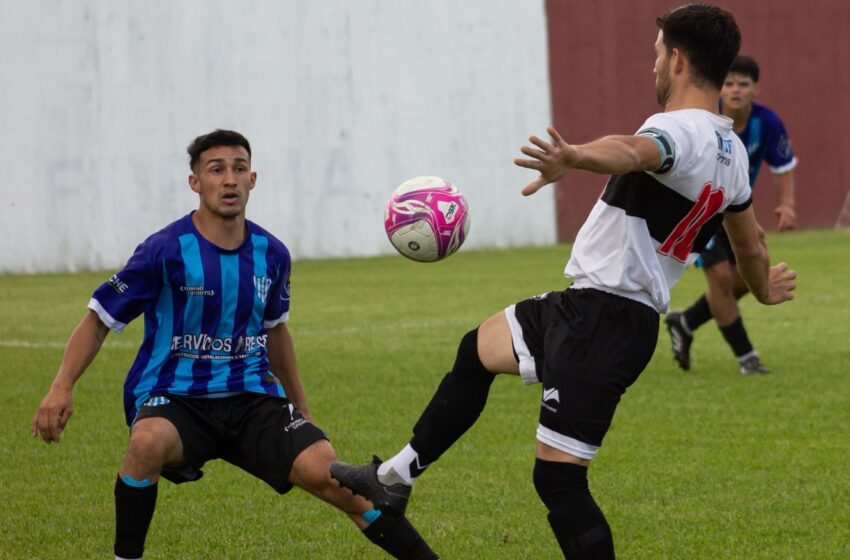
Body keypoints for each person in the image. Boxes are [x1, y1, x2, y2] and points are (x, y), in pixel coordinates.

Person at [330, 5, 796, 559]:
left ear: (676, 58)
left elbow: (632, 150)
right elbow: (751, 243)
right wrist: (763, 289)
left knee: (558, 481)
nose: (652, 67)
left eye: (655, 55)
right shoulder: (733, 153)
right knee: (476, 350)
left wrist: (575, 155)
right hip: (589, 305)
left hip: (606, 317)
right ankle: (395, 476)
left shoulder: (678, 130)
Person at [31, 130, 438, 560]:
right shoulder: (163, 250)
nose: (229, 179)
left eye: (239, 169)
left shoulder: (272, 254)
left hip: (253, 399)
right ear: (195, 183)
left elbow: (276, 330)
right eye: (216, 169)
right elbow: (98, 319)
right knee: (146, 444)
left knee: (338, 480)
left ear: (253, 179)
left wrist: (301, 405)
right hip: (176, 398)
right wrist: (62, 385)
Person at [665, 55, 799, 375]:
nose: (736, 90)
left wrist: (787, 205)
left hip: (737, 211)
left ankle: (684, 322)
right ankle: (747, 358)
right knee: (721, 279)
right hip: (700, 210)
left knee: (748, 280)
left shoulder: (766, 123)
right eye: (729, 83)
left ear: (756, 88)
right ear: (719, 87)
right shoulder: (705, 119)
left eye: (743, 84)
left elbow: (783, 167)